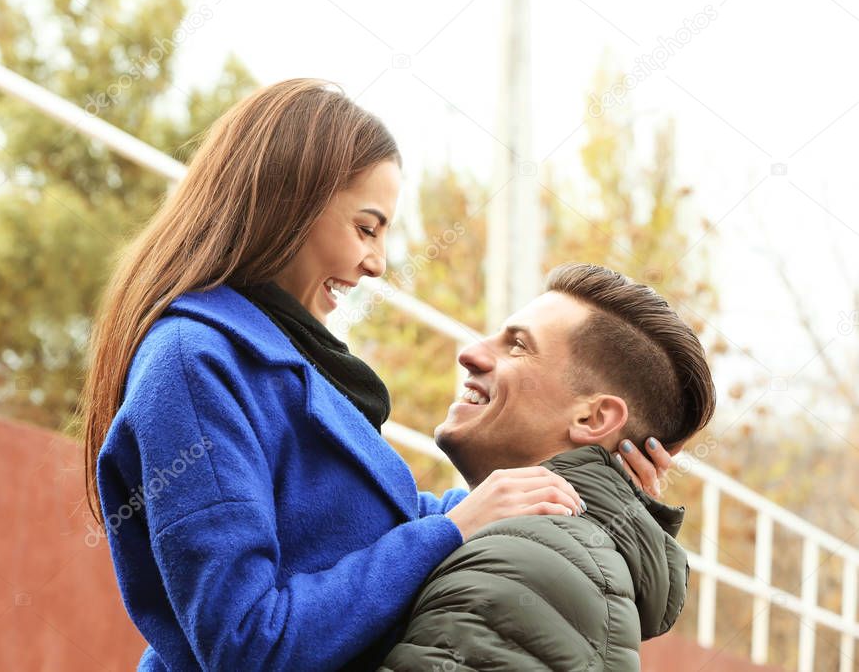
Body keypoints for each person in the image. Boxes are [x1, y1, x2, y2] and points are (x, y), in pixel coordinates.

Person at [79, 79, 669, 671]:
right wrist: (451, 530)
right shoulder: (196, 363)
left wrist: (604, 490)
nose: (377, 262)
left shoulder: (280, 363)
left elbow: (384, 527)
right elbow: (246, 643)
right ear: (290, 204)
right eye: (366, 227)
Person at [379, 263, 716, 671]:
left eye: (517, 345)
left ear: (593, 419)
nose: (469, 353)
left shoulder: (521, 565)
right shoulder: (551, 552)